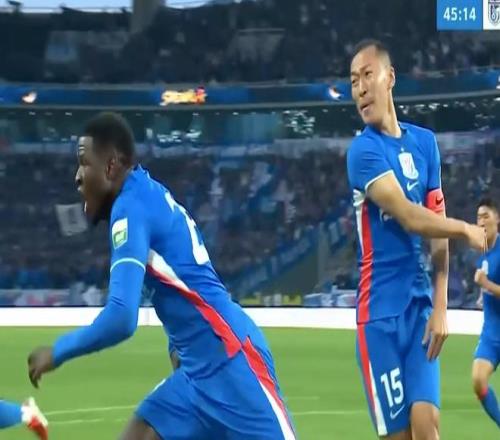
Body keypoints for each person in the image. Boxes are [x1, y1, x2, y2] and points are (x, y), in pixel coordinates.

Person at [27, 112, 296, 440]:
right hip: (196, 373)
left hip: (233, 368)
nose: (77, 177)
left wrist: (58, 351)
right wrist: (177, 346)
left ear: (110, 167)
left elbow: (121, 318)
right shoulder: (147, 194)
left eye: (84, 163)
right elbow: (181, 277)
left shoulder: (131, 207)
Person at [346, 39, 486, 440]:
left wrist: (441, 307)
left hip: (419, 308)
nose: (360, 88)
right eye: (353, 81)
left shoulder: (424, 143)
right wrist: (464, 228)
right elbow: (410, 217)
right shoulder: (362, 152)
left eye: (367, 75)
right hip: (379, 318)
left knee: (427, 427)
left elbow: (435, 230)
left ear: (390, 77)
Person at [472, 198, 500, 428]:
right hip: (492, 331)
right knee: (478, 380)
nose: (481, 221)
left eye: (486, 216)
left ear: (497, 219)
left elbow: (488, 283)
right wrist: (484, 294)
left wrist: (486, 284)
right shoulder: (482, 253)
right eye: (478, 217)